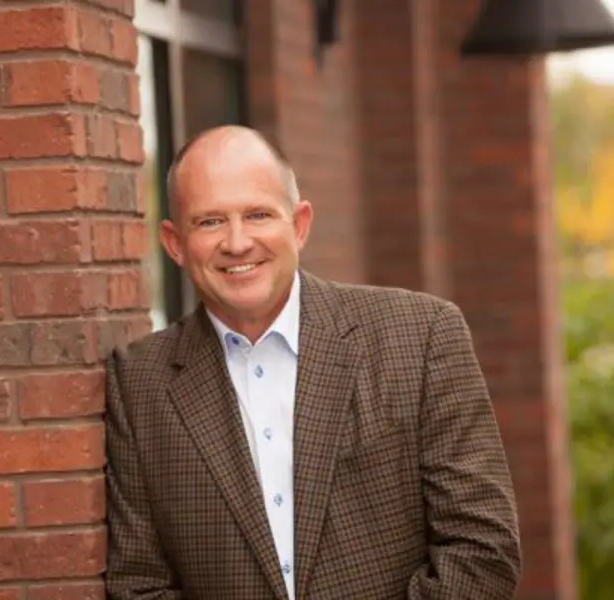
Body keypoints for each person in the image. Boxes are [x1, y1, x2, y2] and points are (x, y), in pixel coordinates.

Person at [104, 125, 522, 599]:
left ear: (299, 225)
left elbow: (483, 548)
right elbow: (139, 584)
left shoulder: (420, 335)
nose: (237, 242)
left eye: (258, 214)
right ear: (174, 242)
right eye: (210, 222)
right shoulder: (139, 382)